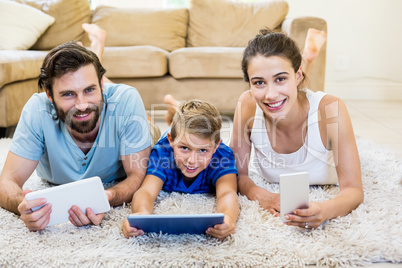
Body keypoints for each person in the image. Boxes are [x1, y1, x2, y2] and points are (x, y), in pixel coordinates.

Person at [0, 24, 155, 231]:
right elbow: (6, 181)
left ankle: (97, 56)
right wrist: (23, 205)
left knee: (159, 126)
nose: (81, 104)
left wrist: (106, 197)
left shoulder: (126, 99)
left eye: (90, 89)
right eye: (68, 94)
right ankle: (95, 58)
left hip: (139, 123)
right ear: (49, 95)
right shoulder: (37, 109)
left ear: (101, 85)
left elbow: (137, 175)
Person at [229, 28, 364, 229]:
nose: (270, 94)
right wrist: (261, 195)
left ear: (298, 75)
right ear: (249, 84)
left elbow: (353, 190)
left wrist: (325, 210)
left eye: (280, 79)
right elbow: (236, 174)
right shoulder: (247, 104)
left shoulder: (332, 109)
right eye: (259, 82)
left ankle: (308, 57)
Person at [122, 99, 239, 240]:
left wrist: (228, 217)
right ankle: (173, 108)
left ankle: (175, 105)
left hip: (183, 135)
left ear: (216, 147)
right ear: (170, 140)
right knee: (150, 129)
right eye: (184, 148)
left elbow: (227, 192)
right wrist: (141, 214)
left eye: (203, 150)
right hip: (168, 136)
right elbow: (146, 191)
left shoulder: (222, 156)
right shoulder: (162, 152)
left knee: (183, 127)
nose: (192, 160)